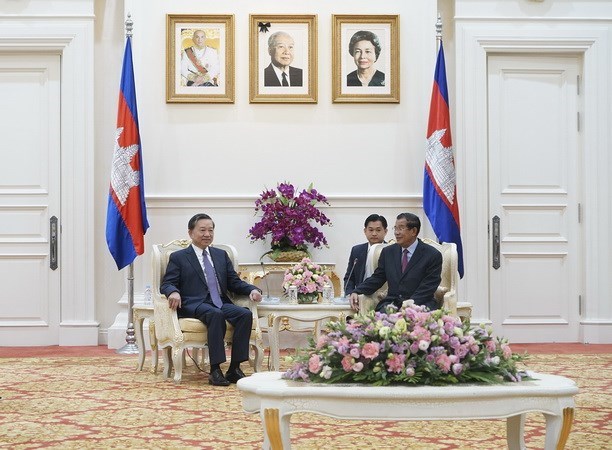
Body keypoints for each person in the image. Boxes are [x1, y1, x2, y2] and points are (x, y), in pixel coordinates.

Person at [160, 213, 262, 386]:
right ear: (191, 233)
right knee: (215, 315)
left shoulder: (221, 255)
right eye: (202, 230)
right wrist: (173, 292)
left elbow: (234, 282)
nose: (207, 234)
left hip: (221, 301)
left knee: (244, 314)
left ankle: (234, 368)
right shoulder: (179, 257)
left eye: (210, 230)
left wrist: (252, 289)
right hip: (195, 303)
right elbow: (168, 283)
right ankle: (215, 370)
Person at [349, 213, 442, 312]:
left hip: (420, 304)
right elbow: (377, 278)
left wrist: (409, 305)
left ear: (414, 231)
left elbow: (428, 287)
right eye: (395, 228)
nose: (396, 233)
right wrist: (357, 291)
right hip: (392, 304)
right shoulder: (388, 252)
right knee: (377, 322)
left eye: (401, 228)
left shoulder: (432, 255)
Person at [343, 214, 388, 296]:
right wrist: (350, 294)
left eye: (378, 230)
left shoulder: (391, 250)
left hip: (384, 297)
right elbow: (349, 277)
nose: (374, 234)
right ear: (365, 231)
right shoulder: (356, 250)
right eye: (370, 230)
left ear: (385, 231)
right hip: (360, 296)